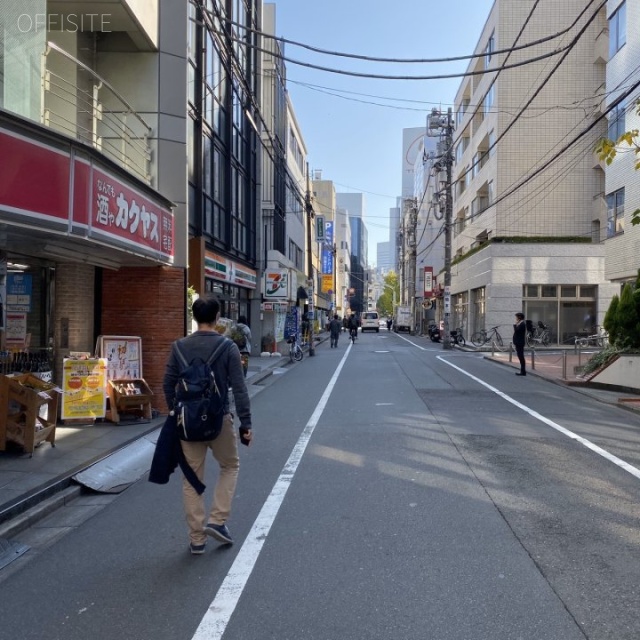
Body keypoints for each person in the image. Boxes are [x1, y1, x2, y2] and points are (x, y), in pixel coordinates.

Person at [162, 296, 252, 555]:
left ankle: (197, 539)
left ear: (194, 317)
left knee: (192, 478)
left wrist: (175, 409)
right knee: (230, 465)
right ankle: (218, 519)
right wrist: (246, 422)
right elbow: (240, 388)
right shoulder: (228, 347)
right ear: (216, 317)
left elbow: (168, 383)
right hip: (219, 419)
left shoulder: (179, 347)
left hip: (187, 423)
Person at [513, 312, 527, 376]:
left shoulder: (522, 324)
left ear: (519, 317)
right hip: (518, 342)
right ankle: (522, 371)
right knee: (520, 356)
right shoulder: (520, 324)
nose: (516, 318)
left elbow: (517, 331)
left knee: (521, 356)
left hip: (520, 342)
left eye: (516, 317)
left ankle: (523, 371)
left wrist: (515, 325)